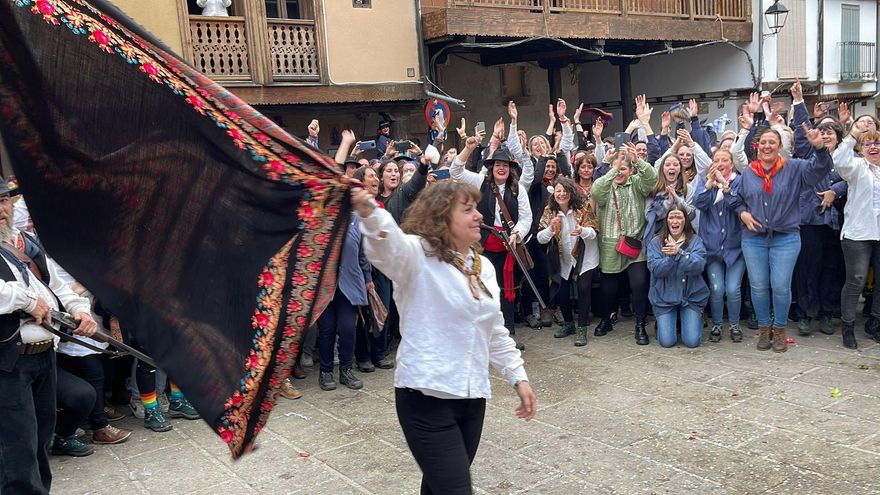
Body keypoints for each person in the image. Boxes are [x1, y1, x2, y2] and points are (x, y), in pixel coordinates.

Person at [354, 181, 536, 494]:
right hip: (425, 401)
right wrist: (369, 210)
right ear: (441, 218)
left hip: (472, 399)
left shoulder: (484, 268)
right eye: (467, 210)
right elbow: (387, 246)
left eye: (476, 208)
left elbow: (494, 330)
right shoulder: (416, 257)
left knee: (439, 487)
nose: (479, 216)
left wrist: (519, 378)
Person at [0, 177, 98, 493]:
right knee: (17, 451)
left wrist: (79, 309)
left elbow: (58, 287)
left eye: (4, 201)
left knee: (41, 443)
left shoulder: (24, 243)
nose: (1, 209)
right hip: (7, 363)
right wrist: (26, 299)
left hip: (44, 355)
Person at [733, 109, 833, 352]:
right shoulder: (748, 173)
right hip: (754, 238)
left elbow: (820, 170)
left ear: (780, 146)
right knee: (757, 286)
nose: (767, 146)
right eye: (763, 142)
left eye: (772, 142)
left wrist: (820, 149)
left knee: (780, 285)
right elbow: (737, 200)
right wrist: (743, 214)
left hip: (786, 237)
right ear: (757, 147)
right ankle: (764, 329)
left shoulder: (795, 168)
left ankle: (779, 329)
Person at [452, 137, 532, 349]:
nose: (501, 168)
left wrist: (516, 233)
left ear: (510, 169)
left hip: (508, 245)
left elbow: (526, 218)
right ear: (491, 167)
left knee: (506, 290)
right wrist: (468, 149)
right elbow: (456, 172)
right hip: (484, 244)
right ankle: (481, 334)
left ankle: (507, 333)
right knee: (482, 289)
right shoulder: (480, 183)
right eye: (498, 164)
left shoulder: (518, 190)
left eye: (505, 165)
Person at [591, 143, 659, 345]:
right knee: (608, 289)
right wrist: (614, 167)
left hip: (634, 244)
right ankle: (607, 318)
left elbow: (652, 178)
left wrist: (637, 160)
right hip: (610, 245)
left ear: (630, 171)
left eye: (623, 169)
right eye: (616, 168)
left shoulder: (637, 183)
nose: (619, 172)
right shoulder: (605, 186)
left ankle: (640, 323)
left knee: (639, 284)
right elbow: (595, 190)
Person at [831, 127, 880, 348]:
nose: (873, 147)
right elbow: (840, 160)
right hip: (858, 233)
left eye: (877, 143)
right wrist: (852, 135)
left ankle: (875, 323)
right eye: (868, 144)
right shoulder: (857, 167)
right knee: (856, 280)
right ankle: (848, 327)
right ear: (861, 149)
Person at [537, 177, 599, 346]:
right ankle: (569, 323)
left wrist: (582, 231)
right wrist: (550, 229)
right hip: (563, 258)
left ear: (571, 193)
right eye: (558, 191)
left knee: (583, 288)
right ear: (554, 193)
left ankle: (582, 329)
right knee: (561, 291)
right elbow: (540, 239)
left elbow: (594, 232)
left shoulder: (583, 207)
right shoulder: (550, 211)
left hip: (585, 256)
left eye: (565, 191)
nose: (562, 194)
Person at [693, 150, 746, 342]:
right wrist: (709, 183)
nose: (720, 163)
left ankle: (734, 325)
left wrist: (725, 186)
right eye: (716, 160)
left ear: (732, 164)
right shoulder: (704, 182)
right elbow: (698, 203)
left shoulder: (738, 181)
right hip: (712, 248)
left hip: (735, 248)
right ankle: (716, 324)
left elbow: (738, 203)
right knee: (716, 288)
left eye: (725, 160)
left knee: (733, 289)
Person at [647, 206, 710, 348]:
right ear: (666, 222)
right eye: (671, 217)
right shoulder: (656, 242)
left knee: (692, 342)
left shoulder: (695, 241)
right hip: (664, 297)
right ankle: (663, 322)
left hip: (690, 297)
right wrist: (671, 258)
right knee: (667, 342)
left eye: (679, 217)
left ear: (685, 221)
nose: (675, 221)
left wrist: (679, 253)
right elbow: (656, 269)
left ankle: (696, 317)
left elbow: (699, 266)